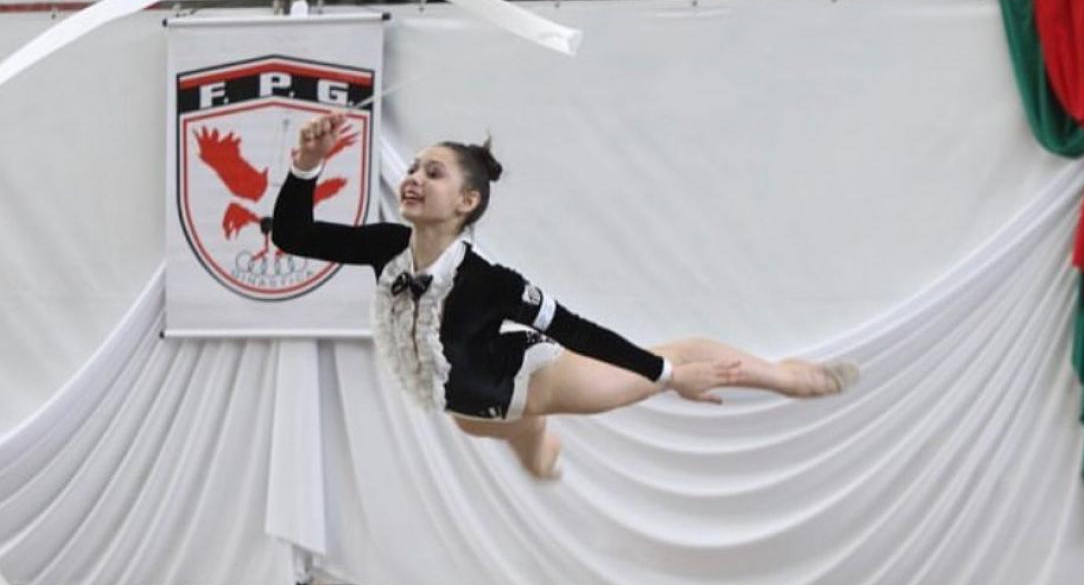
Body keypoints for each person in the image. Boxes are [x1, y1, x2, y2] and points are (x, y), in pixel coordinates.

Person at [272, 114, 858, 479]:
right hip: (469, 409)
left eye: (434, 172)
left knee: (675, 356)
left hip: (531, 383)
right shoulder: (386, 246)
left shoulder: (490, 281)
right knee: (492, 430)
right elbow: (295, 235)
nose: (415, 178)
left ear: (467, 203)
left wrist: (666, 374)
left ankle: (788, 379)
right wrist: (305, 167)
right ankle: (532, 445)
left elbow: (575, 330)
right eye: (415, 168)